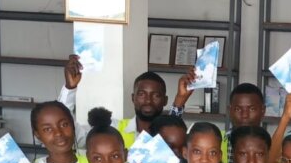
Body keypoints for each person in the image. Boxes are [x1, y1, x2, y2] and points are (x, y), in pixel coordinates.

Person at [59, 55, 194, 148]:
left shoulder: (169, 134)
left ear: (165, 100)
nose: (148, 100)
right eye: (141, 94)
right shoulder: (113, 128)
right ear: (133, 98)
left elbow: (172, 132)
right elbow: (73, 137)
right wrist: (70, 88)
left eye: (156, 95)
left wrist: (180, 99)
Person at [220, 83, 271, 163]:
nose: (244, 115)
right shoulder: (216, 140)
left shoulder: (271, 145)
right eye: (238, 109)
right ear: (229, 111)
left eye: (252, 109)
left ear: (263, 111)